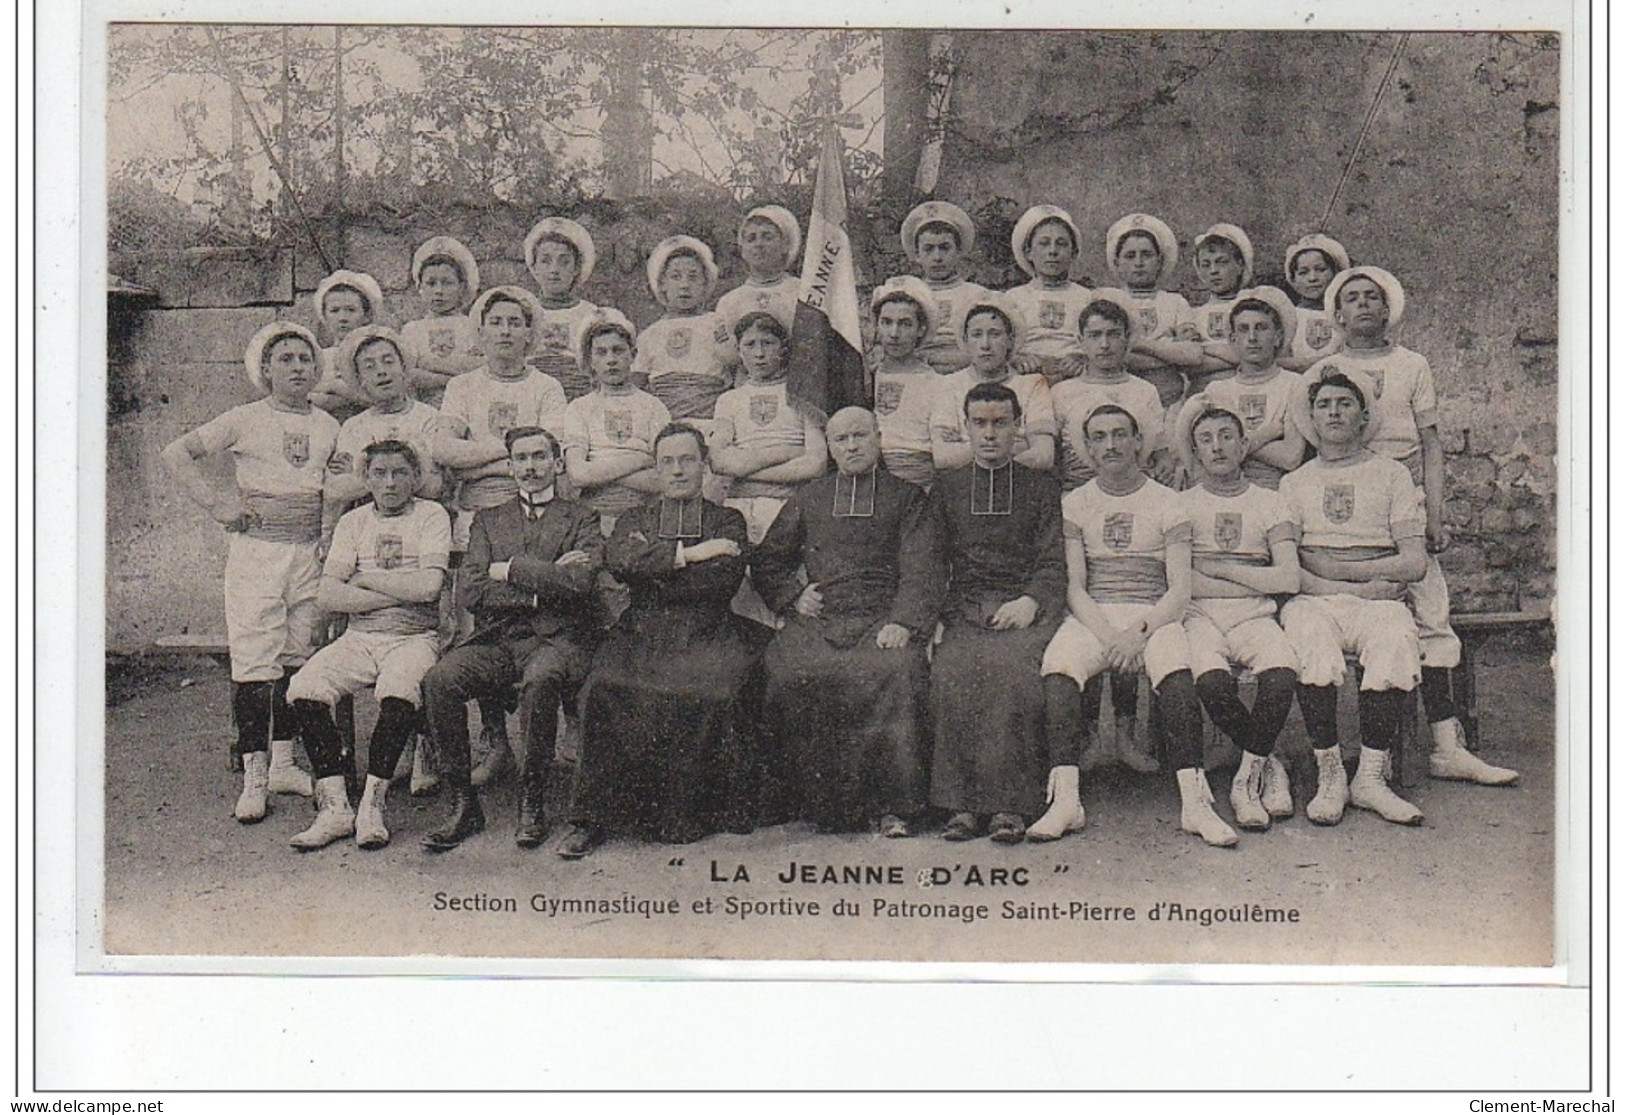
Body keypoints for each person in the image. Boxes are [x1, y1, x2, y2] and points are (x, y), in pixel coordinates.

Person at [1294, 267, 1518, 786]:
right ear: (1338, 313)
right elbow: (1310, 441)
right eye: (1351, 298)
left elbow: (1432, 443)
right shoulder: (1325, 368)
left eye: (1373, 297)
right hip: (1344, 489)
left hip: (1400, 497)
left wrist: (1435, 512)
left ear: (1389, 307)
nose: (1364, 305)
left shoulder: (1412, 364)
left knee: (1431, 617)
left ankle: (1445, 744)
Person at [559, 423, 765, 858]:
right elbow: (619, 561)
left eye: (687, 460)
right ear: (655, 470)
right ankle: (592, 818)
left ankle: (699, 812)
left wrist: (654, 572)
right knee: (603, 687)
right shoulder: (636, 518)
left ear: (704, 466)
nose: (677, 471)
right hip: (643, 627)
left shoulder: (727, 519)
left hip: (708, 627)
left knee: (715, 690)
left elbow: (721, 581)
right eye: (667, 462)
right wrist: (690, 555)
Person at [1035, 405, 1238, 847]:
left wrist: (1139, 633)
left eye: (1120, 435)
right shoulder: (1075, 503)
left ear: (1138, 442)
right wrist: (1112, 638)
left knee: (1175, 667)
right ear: (1088, 448)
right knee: (1059, 665)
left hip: (1154, 613)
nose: (1111, 445)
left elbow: (1179, 590)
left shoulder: (1169, 502)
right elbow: (1075, 588)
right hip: (1096, 615)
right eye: (1101, 437)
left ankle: (1196, 805)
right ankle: (1065, 801)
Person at [160, 322, 339, 821]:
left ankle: (284, 762)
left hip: (307, 554)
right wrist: (218, 504)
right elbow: (177, 454)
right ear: (265, 369)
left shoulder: (328, 425)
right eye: (285, 359)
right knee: (256, 665)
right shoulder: (244, 418)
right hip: (258, 555)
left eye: (305, 359)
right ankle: (254, 774)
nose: (297, 367)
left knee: (297, 660)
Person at [752, 408, 943, 836]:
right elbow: (768, 559)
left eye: (860, 436)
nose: (852, 446)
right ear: (830, 446)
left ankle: (895, 806)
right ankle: (804, 801)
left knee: (895, 673)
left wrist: (905, 622)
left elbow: (923, 568)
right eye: (841, 439)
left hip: (883, 618)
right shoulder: (810, 497)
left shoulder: (908, 498)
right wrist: (793, 596)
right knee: (786, 670)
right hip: (824, 617)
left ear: (879, 438)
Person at [419, 427, 605, 851]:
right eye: (521, 459)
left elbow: (580, 583)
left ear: (558, 464)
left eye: (540, 457)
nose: (531, 467)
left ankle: (532, 800)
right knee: (440, 680)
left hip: (556, 641)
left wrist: (509, 569)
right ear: (509, 466)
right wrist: (545, 583)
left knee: (541, 681)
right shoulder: (488, 520)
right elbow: (470, 591)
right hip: (500, 639)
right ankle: (464, 804)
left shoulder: (581, 517)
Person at [433, 285, 571, 785]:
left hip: (536, 518)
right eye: (497, 322)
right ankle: (494, 740)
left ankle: (555, 735)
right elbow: (446, 449)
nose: (506, 331)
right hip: (477, 516)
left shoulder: (547, 387)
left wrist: (490, 454)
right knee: (482, 627)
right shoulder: (463, 387)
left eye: (516, 322)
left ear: (531, 332)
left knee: (538, 616)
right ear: (482, 331)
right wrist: (513, 452)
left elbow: (551, 452)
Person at [285, 440, 451, 850]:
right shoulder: (354, 522)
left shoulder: (431, 515)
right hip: (360, 636)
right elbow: (328, 595)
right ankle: (336, 808)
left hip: (413, 638)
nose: (390, 482)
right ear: (366, 478)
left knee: (397, 695)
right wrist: (399, 590)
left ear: (416, 477)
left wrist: (364, 579)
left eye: (400, 473)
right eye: (379, 473)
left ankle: (372, 808)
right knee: (304, 689)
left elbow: (429, 588)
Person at [1279, 371, 1428, 825]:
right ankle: (1330, 773)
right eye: (1324, 405)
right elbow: (1293, 572)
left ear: (1364, 415)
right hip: (1318, 598)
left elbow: (1413, 563)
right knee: (1309, 640)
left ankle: (1369, 776)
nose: (1334, 412)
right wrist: (1349, 583)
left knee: (1396, 638)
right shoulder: (1295, 483)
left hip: (1378, 597)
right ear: (1311, 417)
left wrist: (1351, 576)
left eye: (1345, 403)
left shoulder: (1391, 474)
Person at [927, 382, 1066, 844]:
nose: (989, 435)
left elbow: (1052, 561)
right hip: (965, 607)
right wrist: (942, 614)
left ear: (1018, 427)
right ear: (965, 428)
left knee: (1013, 674)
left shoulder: (1041, 487)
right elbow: (931, 560)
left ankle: (1010, 804)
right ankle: (961, 805)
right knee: (952, 669)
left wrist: (1029, 601)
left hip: (1025, 607)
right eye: (980, 424)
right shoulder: (946, 487)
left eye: (1000, 424)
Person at [1048, 294, 1168, 771]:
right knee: (1087, 607)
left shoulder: (1143, 392)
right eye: (1094, 335)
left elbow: (1154, 457)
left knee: (1127, 604)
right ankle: (1086, 736)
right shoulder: (1063, 394)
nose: (1104, 344)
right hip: (1078, 504)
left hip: (1130, 503)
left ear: (1127, 340)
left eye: (1113, 334)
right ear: (1081, 341)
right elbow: (1057, 463)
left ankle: (1122, 730)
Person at [1174, 405, 1302, 830]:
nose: (1218, 446)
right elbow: (1180, 581)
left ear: (1245, 444)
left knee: (1282, 672)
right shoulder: (1180, 505)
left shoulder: (1271, 502)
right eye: (1206, 439)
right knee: (1211, 682)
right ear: (1195, 450)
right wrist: (1253, 579)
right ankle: (1271, 762)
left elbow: (1287, 576)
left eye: (1227, 436)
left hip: (1256, 616)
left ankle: (1246, 780)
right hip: (1200, 616)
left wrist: (1224, 570)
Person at [709, 310, 829, 625]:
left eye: (768, 343)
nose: (759, 353)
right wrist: (786, 451)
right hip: (738, 506)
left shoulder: (802, 393)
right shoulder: (729, 401)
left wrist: (745, 465)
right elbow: (719, 459)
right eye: (750, 344)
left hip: (787, 506)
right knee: (741, 586)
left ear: (784, 347)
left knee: (784, 581)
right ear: (738, 350)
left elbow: (815, 463)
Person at [1177, 288, 1305, 490]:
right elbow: (1203, 455)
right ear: (1233, 339)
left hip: (1275, 490)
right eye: (1243, 329)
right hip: (1223, 489)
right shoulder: (1217, 390)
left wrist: (1231, 445)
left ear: (1278, 337)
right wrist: (1269, 433)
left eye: (1261, 328)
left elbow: (1290, 457)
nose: (1252, 337)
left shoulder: (1295, 385)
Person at [560, 310, 672, 533]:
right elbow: (578, 475)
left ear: (633, 354)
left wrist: (600, 472)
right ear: (591, 360)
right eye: (601, 353)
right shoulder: (579, 408)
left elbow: (663, 480)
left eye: (618, 351)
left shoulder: (654, 407)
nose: (611, 360)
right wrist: (641, 459)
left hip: (644, 518)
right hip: (592, 520)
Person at [927, 298, 1056, 474]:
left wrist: (966, 448)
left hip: (1018, 482)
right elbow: (943, 457)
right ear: (965, 340)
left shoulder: (1032, 385)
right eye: (977, 334)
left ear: (1010, 340)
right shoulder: (948, 385)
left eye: (995, 334)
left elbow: (1043, 456)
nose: (985, 345)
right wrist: (1019, 445)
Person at [325, 326, 444, 508]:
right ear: (360, 379)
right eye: (369, 367)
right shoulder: (353, 427)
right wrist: (407, 473)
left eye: (388, 362)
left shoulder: (429, 417)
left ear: (403, 368)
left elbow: (433, 487)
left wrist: (360, 472)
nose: (381, 371)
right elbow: (339, 489)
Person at [1100, 212, 1203, 412]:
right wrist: (1169, 352)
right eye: (1130, 256)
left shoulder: (1175, 302)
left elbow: (1193, 355)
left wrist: (1139, 345)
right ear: (1118, 263)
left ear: (1159, 261)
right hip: (1119, 402)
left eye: (1146, 255)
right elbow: (1110, 357)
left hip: (1170, 402)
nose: (1138, 263)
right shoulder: (1109, 301)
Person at [634, 235, 735, 433]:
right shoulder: (650, 334)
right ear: (662, 283)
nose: (684, 285)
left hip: (710, 421)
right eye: (675, 276)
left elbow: (735, 365)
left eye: (693, 276)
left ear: (706, 283)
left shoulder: (717, 323)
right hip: (664, 425)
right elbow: (636, 385)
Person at [892, 201, 990, 375]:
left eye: (945, 248)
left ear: (959, 251)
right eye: (928, 249)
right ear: (917, 255)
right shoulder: (906, 294)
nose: (937, 257)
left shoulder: (978, 295)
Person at [1003, 204, 1093, 385]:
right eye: (1044, 243)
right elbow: (1001, 343)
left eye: (1061, 244)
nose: (1052, 251)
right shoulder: (1012, 298)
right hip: (1025, 379)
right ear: (1028, 252)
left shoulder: (1087, 298)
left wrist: (1084, 359)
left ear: (1073, 252)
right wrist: (1015, 358)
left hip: (1075, 379)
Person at [867, 277, 940, 488]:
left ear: (921, 329)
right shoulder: (866, 380)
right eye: (886, 322)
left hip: (918, 484)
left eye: (905, 324)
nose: (894, 334)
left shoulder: (935, 382)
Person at [523, 216, 602, 403]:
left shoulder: (591, 315)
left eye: (564, 261)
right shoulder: (522, 310)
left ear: (576, 268)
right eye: (546, 261)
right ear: (534, 267)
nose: (554, 270)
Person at [401, 236, 483, 408]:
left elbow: (480, 370)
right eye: (431, 283)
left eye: (447, 283)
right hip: (424, 407)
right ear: (420, 287)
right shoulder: (412, 330)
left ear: (461, 286)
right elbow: (409, 375)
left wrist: (426, 363)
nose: (439, 291)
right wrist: (454, 376)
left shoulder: (473, 326)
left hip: (468, 406)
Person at [715, 205, 802, 355]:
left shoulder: (803, 292)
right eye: (751, 239)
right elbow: (725, 355)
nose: (759, 245)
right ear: (742, 250)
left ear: (785, 245)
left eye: (767, 237)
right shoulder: (729, 302)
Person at [1184, 222, 1256, 393]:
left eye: (1221, 262)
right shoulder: (1192, 314)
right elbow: (1188, 366)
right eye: (1206, 264)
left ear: (1239, 265)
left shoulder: (1255, 306)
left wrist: (1204, 349)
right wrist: (1238, 357)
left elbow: (1262, 357)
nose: (1213, 271)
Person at [308, 269, 385, 418]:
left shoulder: (377, 355)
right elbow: (307, 400)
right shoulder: (318, 358)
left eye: (351, 310)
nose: (342, 318)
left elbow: (379, 398)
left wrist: (334, 387)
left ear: (366, 315)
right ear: (325, 315)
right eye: (335, 311)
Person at [1277, 233, 1349, 372]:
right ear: (1294, 280)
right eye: (1303, 272)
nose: (1312, 278)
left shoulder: (1345, 315)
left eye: (1321, 270)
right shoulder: (1287, 316)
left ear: (1336, 273)